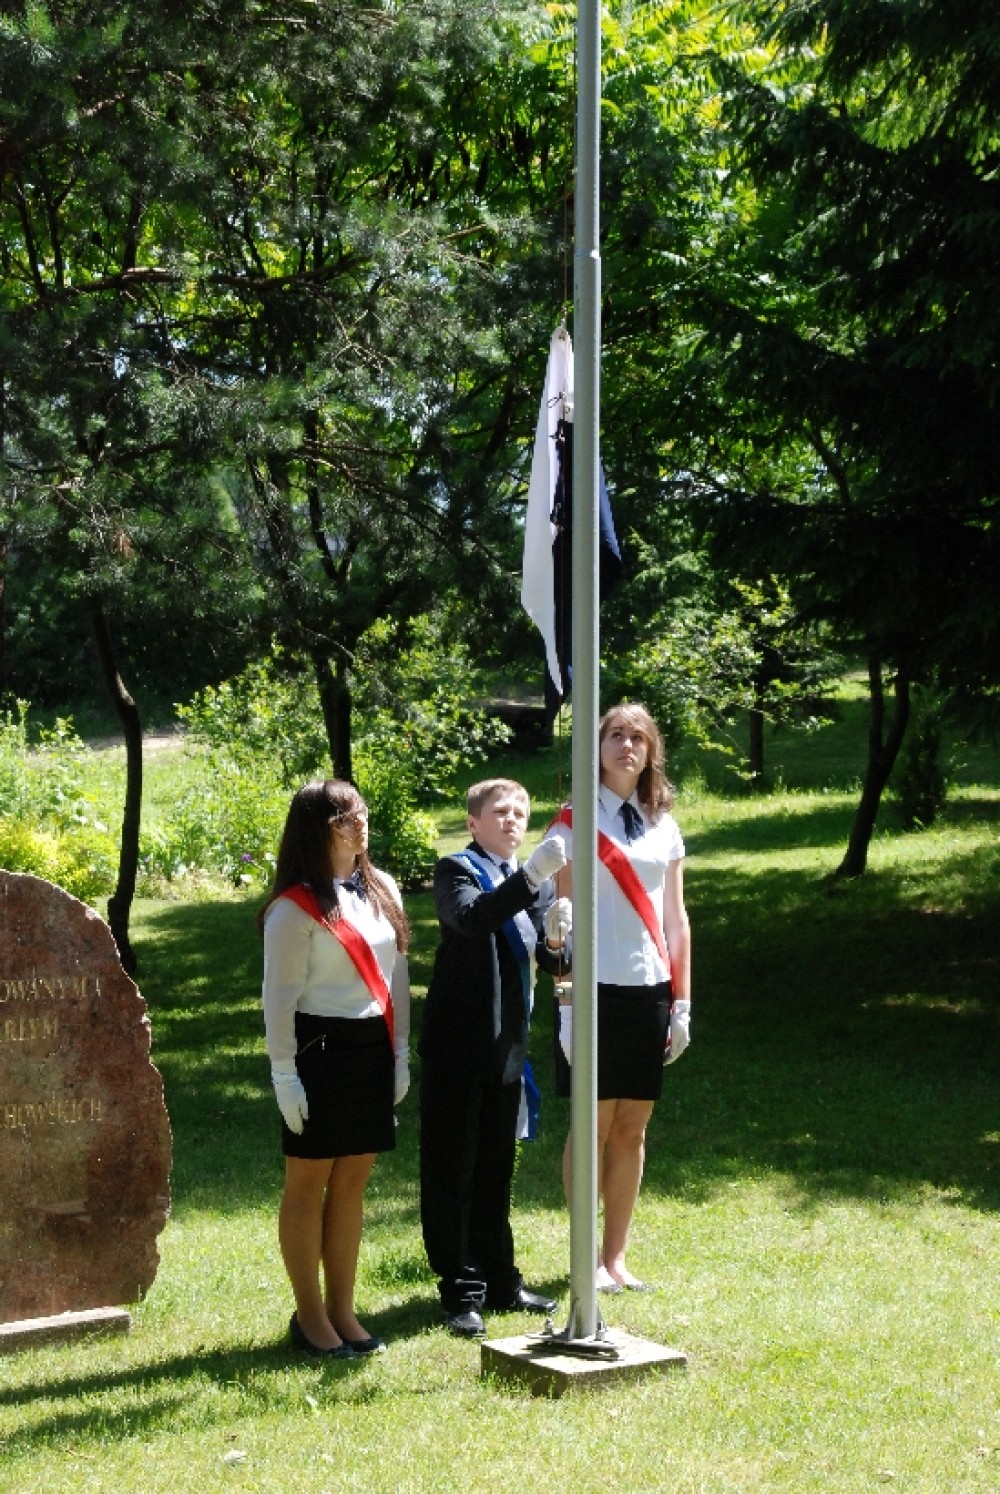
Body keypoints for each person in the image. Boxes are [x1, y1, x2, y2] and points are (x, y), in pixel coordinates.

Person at [258, 779, 411, 1358]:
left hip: (372, 1046)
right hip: (318, 1052)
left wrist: (399, 1053)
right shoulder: (293, 908)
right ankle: (311, 1317)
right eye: (345, 817)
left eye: (361, 812)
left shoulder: (383, 889)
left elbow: (397, 979)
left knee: (352, 1183)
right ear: (316, 830)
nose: (359, 823)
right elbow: (278, 998)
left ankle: (343, 1310)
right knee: (308, 1183)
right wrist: (283, 1072)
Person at [545, 702, 691, 1294]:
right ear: (597, 746)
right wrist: (565, 1005)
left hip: (649, 987)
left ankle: (616, 1258)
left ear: (651, 751)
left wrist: (682, 1002)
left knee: (632, 1128)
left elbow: (676, 919)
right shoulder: (572, 823)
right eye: (614, 735)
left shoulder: (664, 825)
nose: (626, 745)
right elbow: (559, 925)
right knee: (593, 1126)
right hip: (593, 990)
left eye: (637, 737)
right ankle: (586, 1257)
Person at [419, 777, 571, 1337]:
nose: (512, 820)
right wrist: (531, 878)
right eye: (500, 811)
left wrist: (556, 940)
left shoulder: (529, 880)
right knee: (452, 1171)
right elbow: (473, 918)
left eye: (520, 813)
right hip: (457, 1047)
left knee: (494, 1170)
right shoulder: (457, 869)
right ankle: (461, 1290)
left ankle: (500, 1280)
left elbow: (552, 963)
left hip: (507, 1047)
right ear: (473, 823)